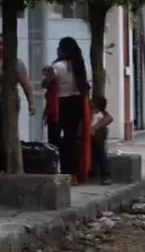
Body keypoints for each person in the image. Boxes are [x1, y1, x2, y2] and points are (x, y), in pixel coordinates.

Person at [42, 37, 91, 184]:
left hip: (60, 104)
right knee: (72, 140)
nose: (57, 50)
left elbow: (45, 84)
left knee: (55, 139)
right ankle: (73, 175)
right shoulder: (82, 66)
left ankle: (56, 169)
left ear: (64, 50)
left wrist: (47, 74)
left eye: (59, 48)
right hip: (76, 104)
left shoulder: (58, 67)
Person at [0, 39, 37, 172]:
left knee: (10, 137)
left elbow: (26, 83)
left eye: (2, 44)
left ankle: (14, 169)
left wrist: (32, 102)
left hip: (9, 103)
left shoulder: (15, 63)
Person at [90, 95, 113, 185]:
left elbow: (109, 118)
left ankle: (106, 175)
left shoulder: (100, 113)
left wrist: (94, 128)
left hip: (96, 134)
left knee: (99, 149)